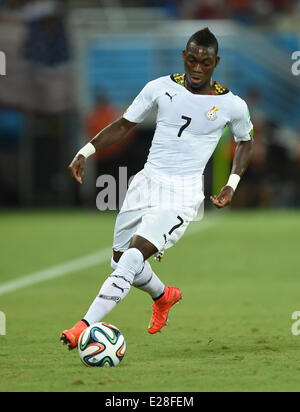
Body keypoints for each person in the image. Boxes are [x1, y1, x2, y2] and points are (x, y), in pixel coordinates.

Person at [60, 27, 254, 350]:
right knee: (119, 259)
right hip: (146, 183)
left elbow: (245, 142)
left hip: (181, 195)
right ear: (184, 57)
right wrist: (86, 150)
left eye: (205, 63)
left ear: (216, 62)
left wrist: (232, 184)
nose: (197, 68)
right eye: (192, 60)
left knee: (133, 257)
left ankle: (84, 325)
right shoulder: (159, 88)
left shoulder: (232, 105)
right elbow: (124, 124)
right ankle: (163, 296)